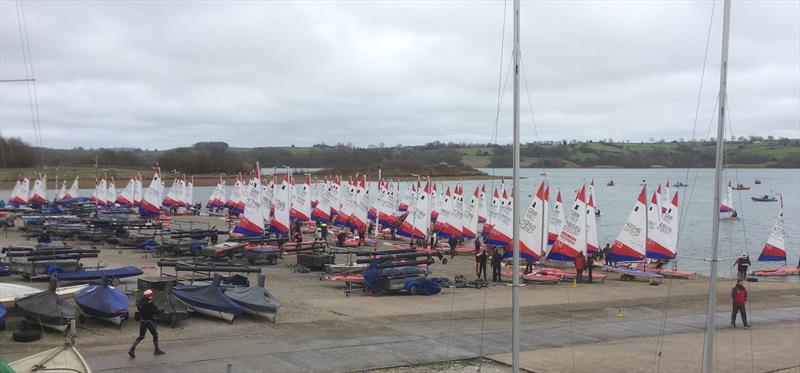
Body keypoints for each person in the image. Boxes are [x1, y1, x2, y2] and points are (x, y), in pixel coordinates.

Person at [129, 289, 165, 358]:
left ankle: (132, 349)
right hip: (149, 321)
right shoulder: (150, 303)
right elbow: (157, 311)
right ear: (150, 296)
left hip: (142, 321)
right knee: (155, 334)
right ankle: (156, 350)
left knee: (141, 336)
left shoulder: (140, 302)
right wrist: (162, 310)